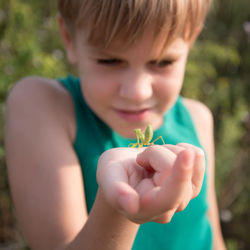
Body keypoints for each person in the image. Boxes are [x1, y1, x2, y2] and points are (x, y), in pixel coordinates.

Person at [5, 0, 227, 249]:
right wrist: (119, 208)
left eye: (163, 62)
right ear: (68, 38)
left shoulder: (197, 118)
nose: (137, 93)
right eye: (109, 61)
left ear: (192, 41)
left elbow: (213, 238)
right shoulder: (42, 104)